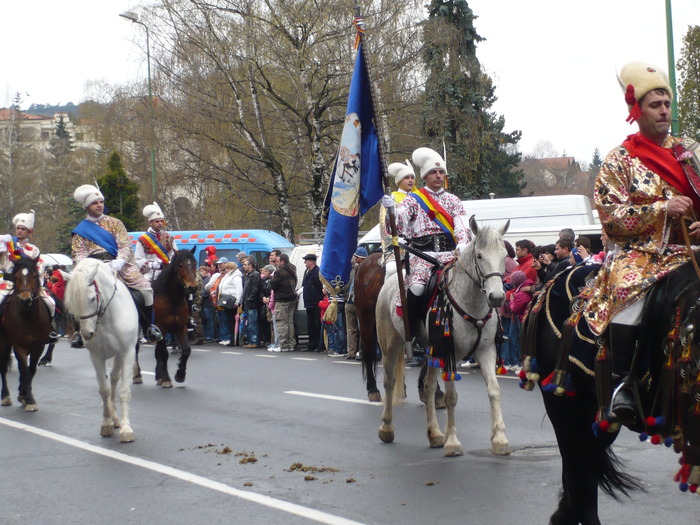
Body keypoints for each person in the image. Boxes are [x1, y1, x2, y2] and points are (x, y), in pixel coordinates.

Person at [584, 62, 700, 427]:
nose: (665, 110)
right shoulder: (619, 161)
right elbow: (610, 216)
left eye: (667, 103)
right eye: (655, 104)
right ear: (636, 111)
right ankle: (623, 384)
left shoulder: (690, 150)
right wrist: (662, 209)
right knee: (628, 293)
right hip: (644, 254)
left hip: (693, 250)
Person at [381, 147, 471, 343]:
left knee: (476, 281)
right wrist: (391, 211)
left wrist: (463, 243)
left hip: (450, 255)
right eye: (433, 172)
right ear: (425, 176)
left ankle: (486, 331)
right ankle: (413, 330)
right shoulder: (413, 199)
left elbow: (462, 223)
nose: (438, 176)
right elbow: (396, 226)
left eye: (441, 172)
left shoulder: (453, 200)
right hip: (422, 256)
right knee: (418, 288)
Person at [70, 185, 163, 347]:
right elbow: (78, 254)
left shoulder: (115, 223)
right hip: (93, 267)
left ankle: (149, 327)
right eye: (95, 203)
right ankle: (79, 331)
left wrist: (119, 262)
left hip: (119, 265)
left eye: (101, 202)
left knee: (146, 289)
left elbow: (125, 245)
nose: (99, 205)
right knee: (76, 292)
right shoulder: (80, 231)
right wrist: (86, 268)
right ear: (86, 207)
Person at [0, 210, 59, 342]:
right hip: (8, 283)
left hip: (28, 284)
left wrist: (37, 285)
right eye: (18, 228)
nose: (20, 231)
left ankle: (51, 329)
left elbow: (38, 267)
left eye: (23, 229)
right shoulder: (7, 244)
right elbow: (3, 264)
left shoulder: (34, 249)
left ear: (29, 232)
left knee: (51, 302)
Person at [134, 202, 178, 282]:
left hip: (167, 271)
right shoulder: (143, 239)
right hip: (150, 273)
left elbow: (174, 255)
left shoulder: (169, 238)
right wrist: (151, 265)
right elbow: (138, 259)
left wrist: (170, 263)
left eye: (161, 221)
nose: (160, 223)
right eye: (157, 221)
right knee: (143, 286)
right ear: (150, 222)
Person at [270, 253, 297, 352]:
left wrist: (270, 280)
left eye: (278, 260)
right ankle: (291, 344)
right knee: (290, 322)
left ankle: (284, 344)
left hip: (282, 299)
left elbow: (273, 285)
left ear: (282, 261)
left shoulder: (280, 271)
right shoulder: (293, 269)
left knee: (282, 322)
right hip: (292, 298)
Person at [344, 246, 367, 360]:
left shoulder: (353, 270)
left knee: (352, 329)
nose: (354, 258)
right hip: (359, 302)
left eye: (355, 256)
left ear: (359, 258)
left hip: (352, 301)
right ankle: (361, 351)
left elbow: (347, 285)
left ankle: (352, 352)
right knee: (362, 327)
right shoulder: (368, 269)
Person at [300, 253, 324, 352]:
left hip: (316, 303)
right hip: (309, 303)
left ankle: (318, 344)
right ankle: (311, 344)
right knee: (310, 325)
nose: (305, 262)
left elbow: (320, 287)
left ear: (311, 261)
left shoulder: (317, 272)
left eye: (306, 260)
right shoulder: (307, 272)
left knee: (316, 324)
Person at [218, 261, 243, 346]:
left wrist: (237, 301)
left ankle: (232, 339)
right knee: (227, 320)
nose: (227, 270)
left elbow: (239, 289)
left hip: (232, 300)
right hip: (226, 300)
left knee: (232, 321)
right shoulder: (227, 276)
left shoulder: (236, 276)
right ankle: (228, 337)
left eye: (228, 268)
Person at [241, 257, 262, 348]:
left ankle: (255, 341)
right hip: (246, 302)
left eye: (245, 264)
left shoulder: (255, 275)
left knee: (253, 323)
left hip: (252, 303)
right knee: (248, 323)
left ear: (251, 265)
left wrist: (250, 299)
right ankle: (250, 340)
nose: (244, 266)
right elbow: (244, 289)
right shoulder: (246, 275)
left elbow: (255, 289)